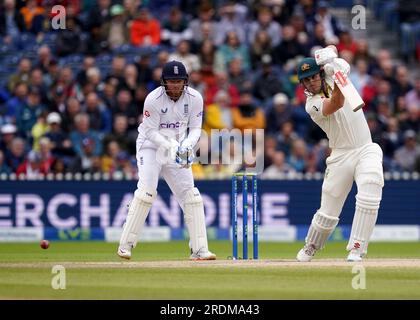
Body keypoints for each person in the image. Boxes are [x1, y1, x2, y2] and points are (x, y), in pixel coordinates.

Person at [117, 60, 216, 261]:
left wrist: (186, 145)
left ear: (185, 81)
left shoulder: (195, 97)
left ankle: (199, 249)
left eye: (180, 81)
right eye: (172, 81)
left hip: (178, 146)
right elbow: (151, 131)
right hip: (150, 146)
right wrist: (172, 146)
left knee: (191, 196)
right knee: (146, 192)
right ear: (164, 82)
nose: (176, 85)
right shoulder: (153, 99)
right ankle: (125, 246)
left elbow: (196, 128)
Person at [296, 46, 384, 262]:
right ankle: (311, 246)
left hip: (365, 147)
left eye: (313, 77)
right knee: (328, 212)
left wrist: (339, 65)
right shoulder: (311, 105)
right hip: (340, 156)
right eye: (305, 80)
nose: (310, 82)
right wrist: (340, 74)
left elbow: (333, 50)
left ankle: (357, 247)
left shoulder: (333, 74)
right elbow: (337, 102)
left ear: (319, 74)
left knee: (370, 189)